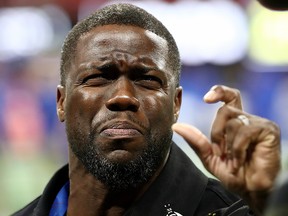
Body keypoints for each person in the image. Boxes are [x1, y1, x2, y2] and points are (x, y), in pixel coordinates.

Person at [12, 3, 281, 216]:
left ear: (176, 104)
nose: (123, 96)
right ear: (61, 101)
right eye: (98, 77)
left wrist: (267, 203)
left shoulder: (235, 211)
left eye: (147, 79)